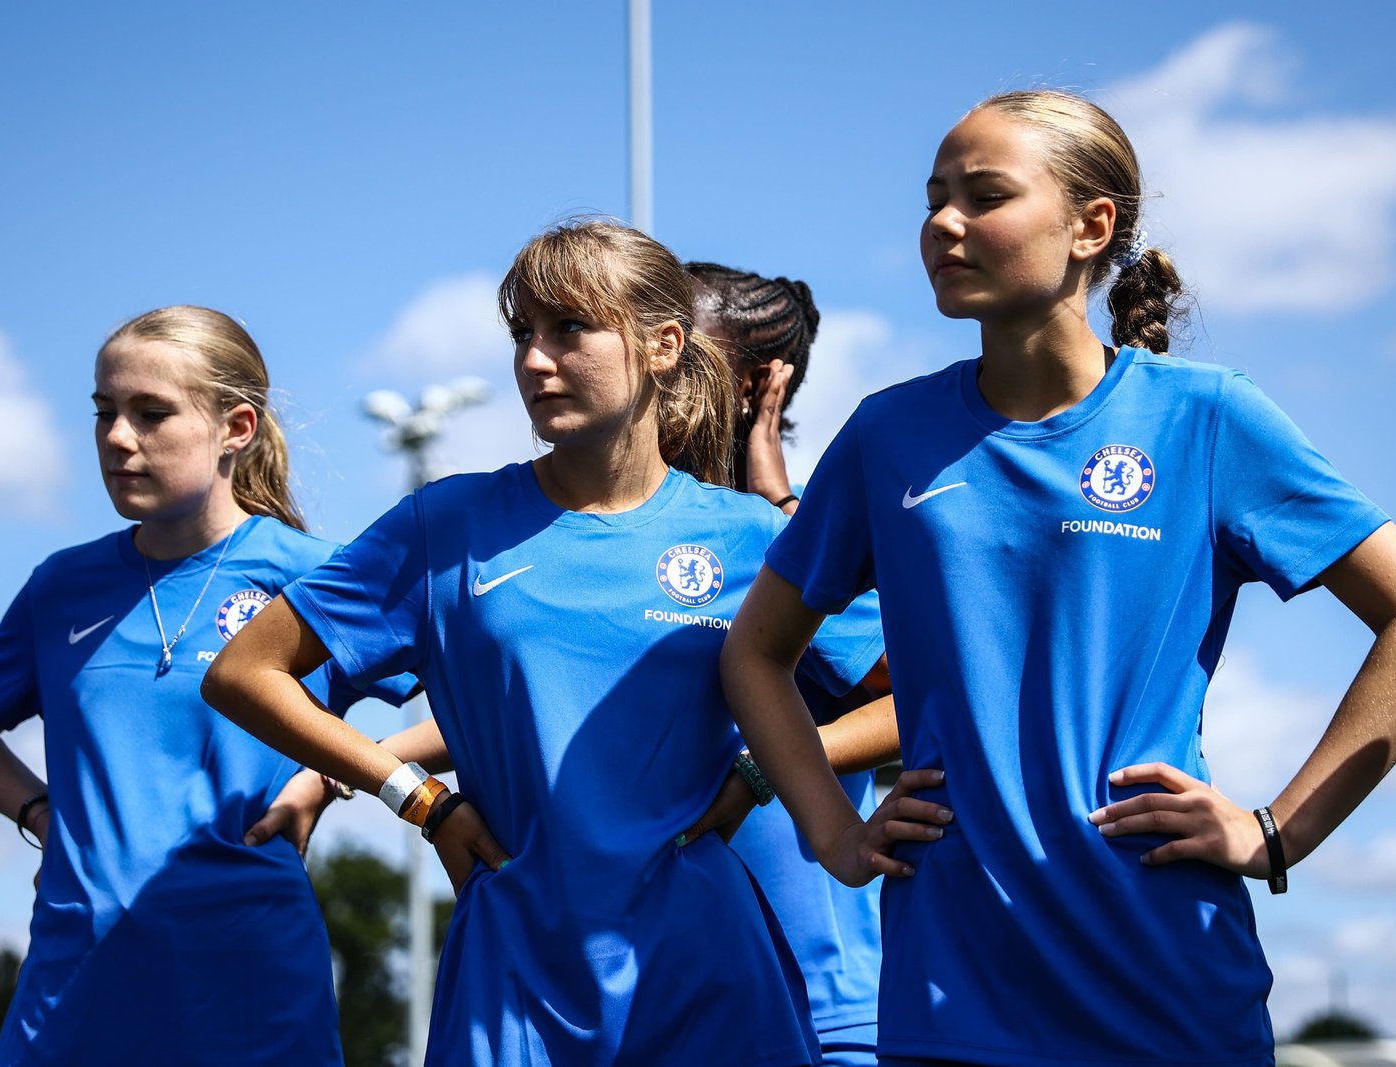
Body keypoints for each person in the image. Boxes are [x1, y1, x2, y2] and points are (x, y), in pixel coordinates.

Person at [721, 89, 1396, 1067]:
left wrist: (1279, 830)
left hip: (1166, 988)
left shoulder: (1205, 417)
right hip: (950, 995)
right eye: (933, 199)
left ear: (1092, 226)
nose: (944, 222)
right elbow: (755, 652)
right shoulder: (887, 433)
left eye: (985, 195)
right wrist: (833, 831)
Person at [201, 219, 942, 1067]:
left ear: (663, 346)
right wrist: (416, 796)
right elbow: (243, 671)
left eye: (570, 329)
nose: (535, 359)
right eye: (523, 333)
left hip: (710, 975)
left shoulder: (747, 535)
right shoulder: (445, 526)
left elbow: (919, 688)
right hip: (514, 980)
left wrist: (766, 775)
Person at [0, 306, 414, 1066]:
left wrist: (336, 777)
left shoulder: (315, 574)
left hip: (251, 988)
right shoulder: (62, 586)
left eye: (151, 413)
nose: (118, 437)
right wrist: (42, 814)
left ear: (236, 428)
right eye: (105, 412)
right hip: (73, 991)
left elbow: (482, 701)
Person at [681, 261, 890, 1067]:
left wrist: (761, 766)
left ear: (756, 384)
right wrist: (386, 772)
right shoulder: (622, 542)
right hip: (657, 1009)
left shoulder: (802, 541)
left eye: (681, 348)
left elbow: (919, 692)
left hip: (820, 1016)